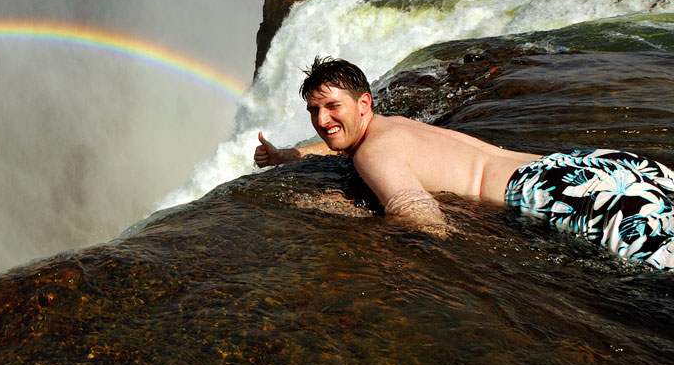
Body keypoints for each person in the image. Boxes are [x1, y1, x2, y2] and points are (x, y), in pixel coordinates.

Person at [254, 56, 674, 270]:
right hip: (590, 166)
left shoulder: (373, 151)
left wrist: (346, 223)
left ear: (363, 104)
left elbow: (420, 214)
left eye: (331, 106)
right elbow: (335, 143)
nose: (322, 120)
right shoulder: (390, 127)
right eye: (313, 110)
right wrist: (288, 155)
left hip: (550, 192)